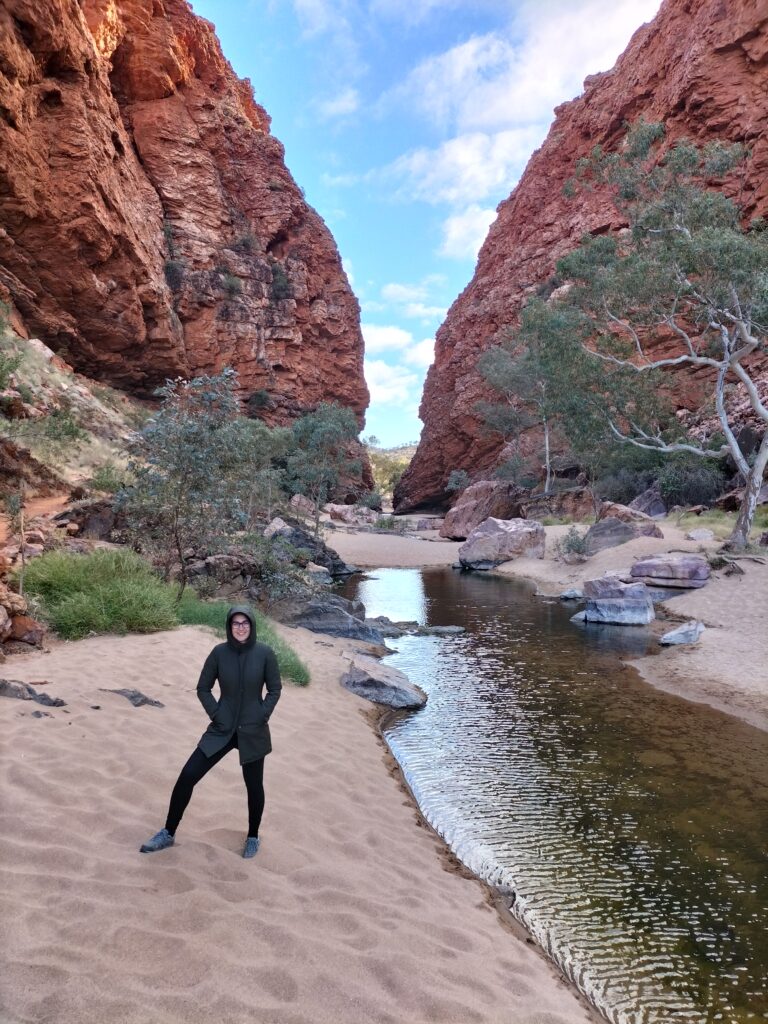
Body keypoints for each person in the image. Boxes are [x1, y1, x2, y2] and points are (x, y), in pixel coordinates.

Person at [140, 605, 282, 859]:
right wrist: (217, 714)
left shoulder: (265, 654)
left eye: (245, 623)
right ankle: (168, 833)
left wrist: (262, 715)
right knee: (187, 776)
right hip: (221, 729)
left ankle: (252, 836)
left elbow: (275, 689)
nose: (240, 627)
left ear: (252, 625)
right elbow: (203, 688)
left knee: (254, 786)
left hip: (253, 730)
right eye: (236, 623)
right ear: (229, 627)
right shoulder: (219, 653)